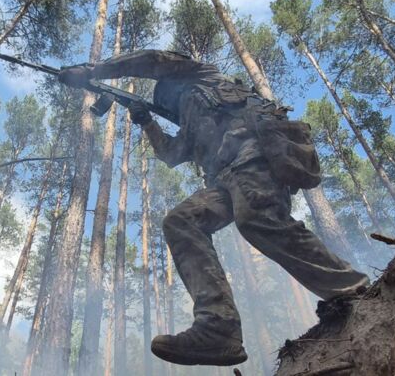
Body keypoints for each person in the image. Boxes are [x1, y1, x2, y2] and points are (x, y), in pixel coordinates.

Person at [59, 50, 369, 366]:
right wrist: (147, 121)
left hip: (253, 157)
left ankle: (351, 287)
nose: (171, 105)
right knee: (181, 221)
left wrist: (93, 71)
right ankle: (218, 327)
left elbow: (152, 60)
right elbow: (171, 154)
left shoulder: (202, 75)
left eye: (167, 98)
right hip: (223, 180)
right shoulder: (189, 124)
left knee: (257, 220)